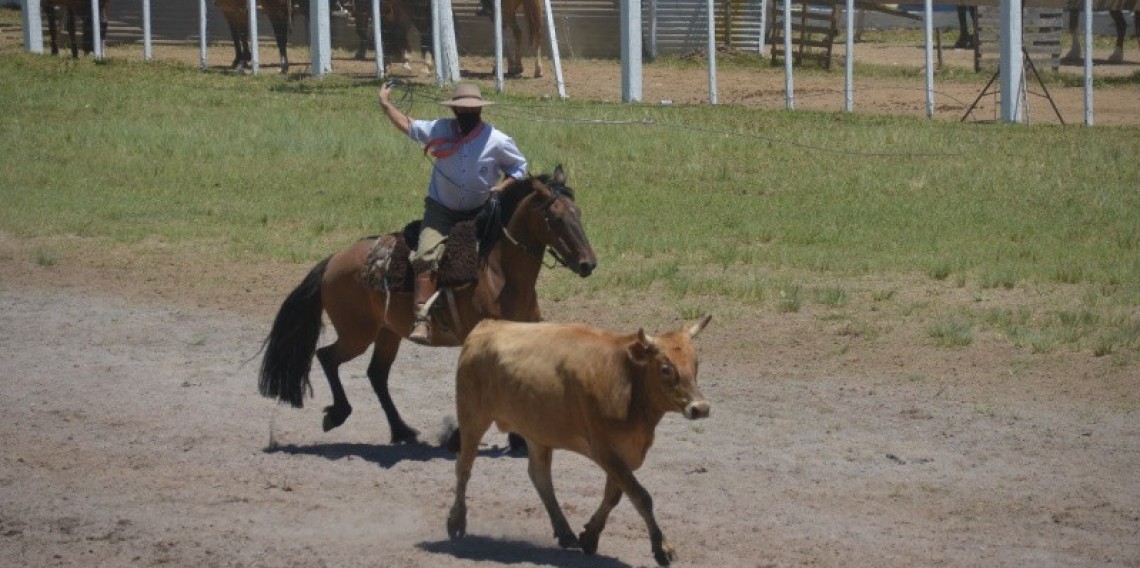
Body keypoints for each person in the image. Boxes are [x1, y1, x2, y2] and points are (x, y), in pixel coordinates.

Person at [378, 82, 529, 344]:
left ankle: (516, 308)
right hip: (441, 211)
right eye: (463, 110)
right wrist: (386, 105)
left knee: (500, 255)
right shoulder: (439, 129)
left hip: (479, 211)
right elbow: (409, 126)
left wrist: (502, 187)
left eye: (472, 110)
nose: (467, 114)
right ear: (455, 111)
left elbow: (519, 166)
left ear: (480, 111)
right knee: (425, 254)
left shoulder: (497, 140)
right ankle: (422, 319)